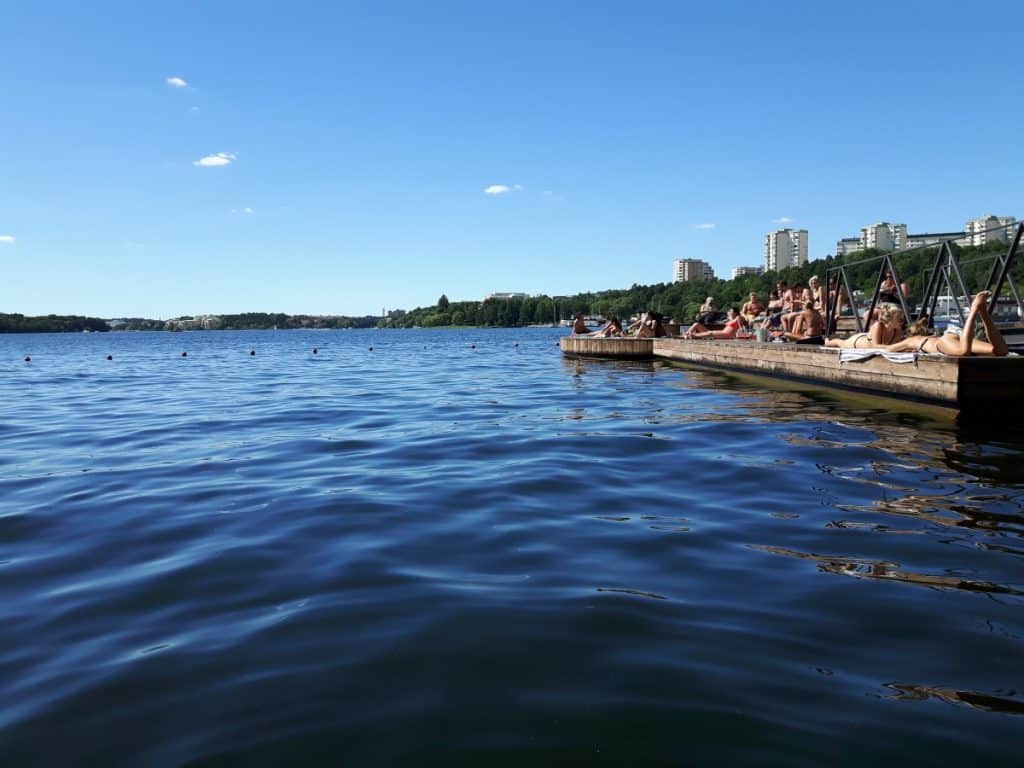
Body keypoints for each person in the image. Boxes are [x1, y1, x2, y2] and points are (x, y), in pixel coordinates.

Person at [884, 291, 1008, 357]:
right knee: (1000, 351)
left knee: (963, 351)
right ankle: (983, 312)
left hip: (944, 343)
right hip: (955, 336)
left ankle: (974, 309)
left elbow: (888, 349)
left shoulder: (911, 340)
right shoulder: (927, 338)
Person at [825, 302, 906, 349]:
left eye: (902, 318)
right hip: (857, 343)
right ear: (890, 319)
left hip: (866, 338)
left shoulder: (897, 331)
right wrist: (896, 347)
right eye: (899, 319)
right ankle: (827, 341)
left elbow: (897, 345)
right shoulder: (878, 326)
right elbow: (876, 346)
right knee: (841, 343)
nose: (902, 321)